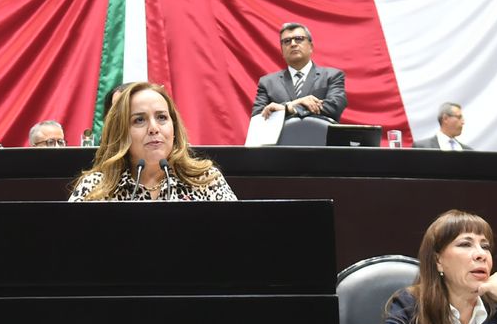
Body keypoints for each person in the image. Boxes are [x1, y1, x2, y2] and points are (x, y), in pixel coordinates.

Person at [69, 82, 236, 201]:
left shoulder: (206, 179)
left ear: (174, 128)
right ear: (121, 133)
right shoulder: (94, 188)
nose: (154, 128)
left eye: (161, 117)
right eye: (139, 120)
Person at [250, 22, 347, 122]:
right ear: (282, 51)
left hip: (320, 132)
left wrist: (291, 109)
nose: (293, 44)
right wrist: (291, 105)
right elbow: (258, 119)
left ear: (311, 46)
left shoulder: (332, 76)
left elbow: (334, 106)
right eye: (287, 41)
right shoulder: (267, 83)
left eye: (299, 39)